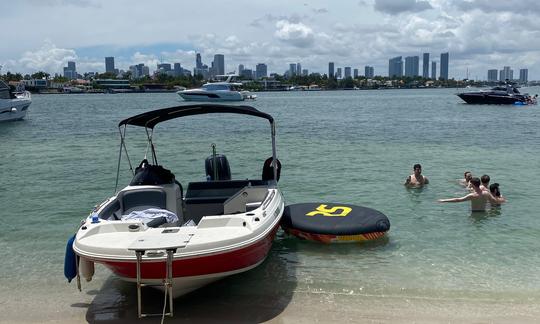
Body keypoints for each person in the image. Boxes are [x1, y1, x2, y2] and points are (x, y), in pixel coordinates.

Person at [438, 177, 506, 211]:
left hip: (474, 214)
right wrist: (502, 199)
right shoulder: (486, 193)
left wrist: (444, 200)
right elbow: (494, 201)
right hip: (484, 213)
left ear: (473, 185)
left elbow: (458, 200)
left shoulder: (472, 195)